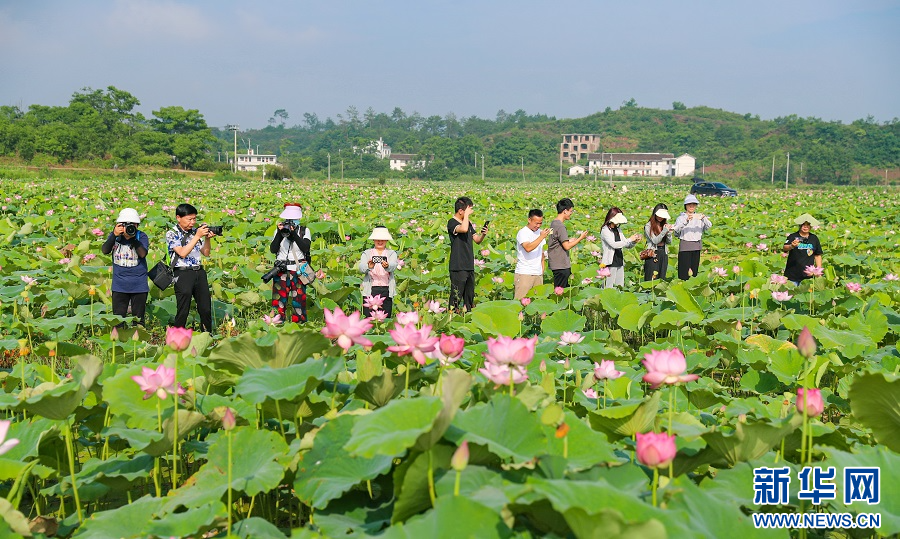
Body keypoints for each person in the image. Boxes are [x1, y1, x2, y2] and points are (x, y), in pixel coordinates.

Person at [166, 203, 216, 332]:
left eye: (194, 219)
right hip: (182, 273)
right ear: (178, 217)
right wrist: (198, 236)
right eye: (189, 219)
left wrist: (207, 239)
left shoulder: (195, 232)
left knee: (205, 308)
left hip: (198, 271)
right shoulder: (172, 233)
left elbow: (206, 252)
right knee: (183, 309)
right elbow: (182, 253)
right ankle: (177, 337)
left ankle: (207, 335)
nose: (193, 222)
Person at [101, 208, 149, 326]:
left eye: (132, 224)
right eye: (125, 224)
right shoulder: (115, 237)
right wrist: (114, 234)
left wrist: (132, 238)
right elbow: (105, 250)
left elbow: (143, 254)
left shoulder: (141, 236)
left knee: (138, 320)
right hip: (119, 285)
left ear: (137, 225)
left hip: (139, 285)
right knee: (118, 320)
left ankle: (138, 342)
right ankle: (119, 341)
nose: (129, 227)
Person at [270, 203, 312, 323]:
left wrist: (294, 235)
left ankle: (299, 326)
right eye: (288, 219)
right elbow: (273, 249)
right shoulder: (279, 230)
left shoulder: (304, 231)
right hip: (281, 270)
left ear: (298, 219)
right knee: (278, 302)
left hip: (298, 270)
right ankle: (277, 325)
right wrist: (279, 233)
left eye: (293, 219)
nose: (290, 221)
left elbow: (305, 248)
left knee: (298, 302)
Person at [447, 196, 488, 312]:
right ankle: (451, 317)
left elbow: (477, 240)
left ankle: (468, 317)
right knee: (456, 296)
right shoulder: (452, 222)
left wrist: (483, 234)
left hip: (469, 265)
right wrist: (467, 216)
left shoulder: (467, 223)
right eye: (469, 210)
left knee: (469, 297)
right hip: (458, 266)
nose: (470, 213)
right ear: (461, 211)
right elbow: (463, 229)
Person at [547, 198, 588, 289]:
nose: (571, 213)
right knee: (561, 292)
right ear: (565, 211)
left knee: (558, 290)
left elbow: (556, 241)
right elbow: (566, 246)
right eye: (570, 211)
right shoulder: (561, 226)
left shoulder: (553, 223)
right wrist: (580, 238)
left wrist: (569, 240)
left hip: (555, 264)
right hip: (561, 265)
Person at [359, 226, 398, 317]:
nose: (380, 242)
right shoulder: (367, 253)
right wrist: (369, 266)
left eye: (383, 240)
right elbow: (361, 268)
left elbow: (394, 266)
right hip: (370, 288)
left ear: (387, 240)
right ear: (373, 240)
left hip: (387, 289)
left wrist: (387, 266)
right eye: (377, 240)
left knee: (385, 316)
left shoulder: (391, 253)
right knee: (369, 316)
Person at [600, 208, 642, 288]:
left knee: (619, 285)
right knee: (609, 285)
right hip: (610, 261)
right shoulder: (605, 230)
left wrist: (634, 241)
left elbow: (626, 244)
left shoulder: (618, 230)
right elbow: (614, 245)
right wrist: (630, 239)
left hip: (619, 259)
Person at [673, 194, 712, 280]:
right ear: (685, 205)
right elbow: (676, 231)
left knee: (694, 271)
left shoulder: (700, 217)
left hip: (697, 246)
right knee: (684, 271)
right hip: (685, 246)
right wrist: (686, 221)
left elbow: (709, 226)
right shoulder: (681, 218)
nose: (691, 206)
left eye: (694, 204)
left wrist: (703, 218)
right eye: (689, 204)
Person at [514, 209, 551, 300]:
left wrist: (542, 269)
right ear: (529, 220)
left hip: (537, 273)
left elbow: (542, 253)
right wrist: (541, 237)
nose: (538, 226)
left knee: (537, 303)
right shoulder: (523, 232)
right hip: (524, 273)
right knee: (521, 303)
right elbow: (528, 248)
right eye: (536, 223)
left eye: (540, 223)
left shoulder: (540, 232)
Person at [783, 213, 823, 285]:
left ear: (810, 226)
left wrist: (818, 270)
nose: (805, 227)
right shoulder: (793, 236)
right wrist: (791, 246)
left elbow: (817, 255)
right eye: (803, 225)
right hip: (792, 273)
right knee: (792, 294)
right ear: (800, 226)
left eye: (808, 225)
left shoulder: (814, 238)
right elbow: (785, 247)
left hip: (808, 274)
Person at [643, 204, 674, 281]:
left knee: (661, 278)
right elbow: (655, 241)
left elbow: (669, 242)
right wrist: (664, 231)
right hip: (652, 253)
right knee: (651, 278)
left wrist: (669, 233)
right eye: (659, 215)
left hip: (663, 253)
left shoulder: (664, 225)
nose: (660, 217)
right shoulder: (648, 226)